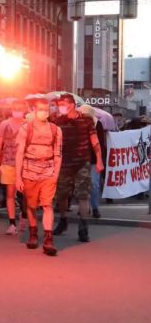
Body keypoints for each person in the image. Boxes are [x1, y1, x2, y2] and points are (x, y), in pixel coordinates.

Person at [53, 94, 104, 242]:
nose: (60, 106)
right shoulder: (58, 121)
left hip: (82, 162)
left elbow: (95, 141)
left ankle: (83, 227)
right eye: (59, 104)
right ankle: (63, 220)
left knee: (83, 195)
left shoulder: (87, 120)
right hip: (64, 163)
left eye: (63, 103)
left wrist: (99, 160)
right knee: (62, 195)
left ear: (72, 104)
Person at [15, 99, 63, 256]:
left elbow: (58, 154)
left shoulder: (56, 130)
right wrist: (18, 177)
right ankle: (33, 232)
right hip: (29, 171)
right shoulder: (25, 129)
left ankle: (49, 238)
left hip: (48, 171)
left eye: (47, 109)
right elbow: (19, 153)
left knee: (47, 205)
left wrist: (55, 174)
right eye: (41, 109)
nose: (44, 112)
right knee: (31, 205)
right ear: (35, 110)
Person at [0, 100, 28, 235]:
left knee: (25, 193)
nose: (17, 110)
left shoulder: (28, 124)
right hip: (8, 162)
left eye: (20, 108)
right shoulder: (4, 124)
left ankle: (24, 215)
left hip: (25, 163)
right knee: (10, 193)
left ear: (25, 109)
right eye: (15, 108)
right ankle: (12, 223)